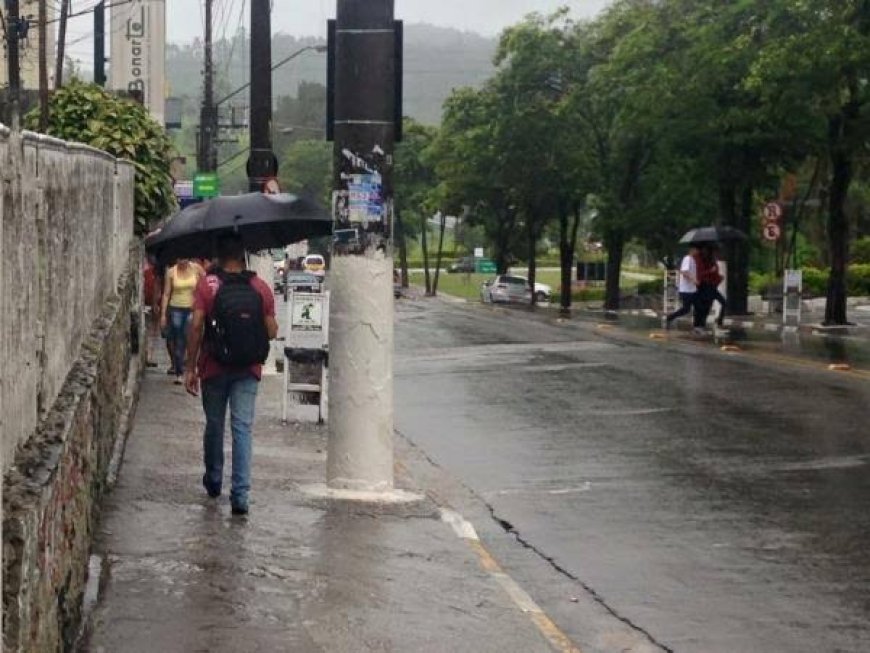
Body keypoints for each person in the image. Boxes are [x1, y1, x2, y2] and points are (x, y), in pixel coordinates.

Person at [184, 233, 278, 515]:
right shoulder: (260, 287)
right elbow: (273, 331)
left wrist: (190, 366)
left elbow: (196, 325)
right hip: (248, 369)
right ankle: (240, 495)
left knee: (214, 424)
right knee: (242, 428)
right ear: (242, 255)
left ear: (219, 256)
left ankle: (214, 479)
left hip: (214, 367)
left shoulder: (207, 285)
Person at [160, 258, 205, 383]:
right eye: (179, 259)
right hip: (176, 309)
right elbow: (166, 294)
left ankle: (191, 367)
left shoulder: (197, 269)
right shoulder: (171, 272)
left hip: (193, 309)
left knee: (192, 339)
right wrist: (163, 314)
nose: (182, 261)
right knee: (179, 341)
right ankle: (179, 372)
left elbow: (205, 285)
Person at [665, 246, 699, 329]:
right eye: (697, 250)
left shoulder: (693, 260)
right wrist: (693, 279)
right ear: (692, 250)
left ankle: (697, 326)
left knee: (698, 307)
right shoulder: (687, 259)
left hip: (692, 289)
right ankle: (670, 318)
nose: (698, 252)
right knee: (686, 309)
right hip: (686, 289)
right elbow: (684, 271)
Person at [694, 244, 726, 330]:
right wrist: (710, 271)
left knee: (722, 302)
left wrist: (719, 278)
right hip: (705, 286)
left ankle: (719, 321)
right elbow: (700, 274)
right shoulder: (700, 260)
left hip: (712, 286)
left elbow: (715, 274)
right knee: (705, 306)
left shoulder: (712, 261)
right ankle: (700, 325)